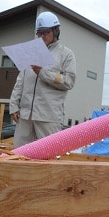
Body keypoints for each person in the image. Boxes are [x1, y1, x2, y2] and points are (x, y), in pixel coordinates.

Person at [9, 11, 76, 147]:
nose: (42, 36)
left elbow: (69, 81)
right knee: (19, 155)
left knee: (48, 157)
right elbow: (20, 81)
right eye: (39, 33)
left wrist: (44, 73)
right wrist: (14, 105)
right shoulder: (31, 52)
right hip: (25, 116)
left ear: (56, 31)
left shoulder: (66, 54)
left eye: (46, 32)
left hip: (48, 117)